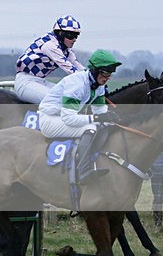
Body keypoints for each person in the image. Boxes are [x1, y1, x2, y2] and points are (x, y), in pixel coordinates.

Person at [38, 49, 121, 185]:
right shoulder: (76, 84)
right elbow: (69, 119)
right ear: (94, 70)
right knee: (90, 127)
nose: (107, 77)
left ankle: (94, 159)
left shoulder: (98, 86)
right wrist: (96, 118)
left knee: (104, 125)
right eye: (105, 73)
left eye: (110, 74)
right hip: (49, 120)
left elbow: (101, 112)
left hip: (62, 118)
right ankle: (83, 171)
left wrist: (111, 119)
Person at [15, 16, 87, 103]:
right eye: (71, 35)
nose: (74, 39)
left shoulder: (65, 50)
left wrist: (94, 76)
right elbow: (69, 68)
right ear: (60, 33)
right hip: (25, 83)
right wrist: (90, 81)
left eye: (76, 36)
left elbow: (78, 66)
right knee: (58, 101)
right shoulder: (50, 45)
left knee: (71, 96)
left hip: (40, 81)